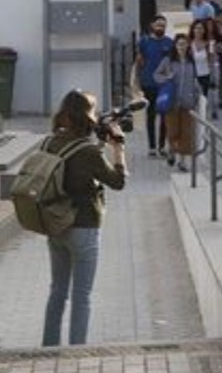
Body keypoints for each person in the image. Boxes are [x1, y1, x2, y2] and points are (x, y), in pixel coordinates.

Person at [42, 90, 128, 346]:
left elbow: (74, 162)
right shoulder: (88, 151)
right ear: (87, 117)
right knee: (82, 296)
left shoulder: (49, 142)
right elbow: (117, 182)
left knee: (57, 291)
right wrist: (119, 149)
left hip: (55, 225)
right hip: (84, 228)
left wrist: (99, 145)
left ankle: (48, 349)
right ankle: (75, 353)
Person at [154, 34, 201, 171]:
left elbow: (195, 80)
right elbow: (156, 75)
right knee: (173, 130)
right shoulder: (168, 61)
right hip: (172, 102)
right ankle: (172, 150)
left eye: (185, 44)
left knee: (186, 132)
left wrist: (197, 96)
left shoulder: (191, 62)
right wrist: (166, 77)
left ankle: (183, 161)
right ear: (175, 46)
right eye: (180, 44)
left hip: (188, 101)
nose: (182, 47)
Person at [135, 14, 174, 156]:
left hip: (163, 85)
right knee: (150, 115)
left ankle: (162, 146)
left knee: (164, 115)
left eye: (163, 25)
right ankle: (152, 146)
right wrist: (137, 82)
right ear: (152, 26)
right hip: (148, 83)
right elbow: (139, 62)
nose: (160, 28)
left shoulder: (169, 43)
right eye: (158, 25)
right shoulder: (144, 42)